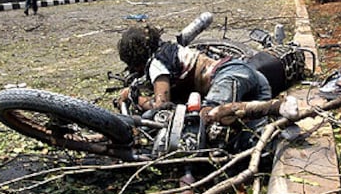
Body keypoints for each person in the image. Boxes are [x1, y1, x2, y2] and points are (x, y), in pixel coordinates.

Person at [117, 23, 299, 125]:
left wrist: (135, 97)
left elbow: (161, 105)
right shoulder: (169, 49)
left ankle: (278, 107)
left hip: (228, 75)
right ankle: (281, 125)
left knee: (207, 115)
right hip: (250, 77)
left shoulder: (156, 63)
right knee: (250, 130)